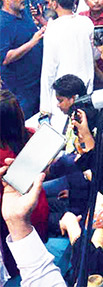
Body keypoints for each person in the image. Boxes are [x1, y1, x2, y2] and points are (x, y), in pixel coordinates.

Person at [0, 90, 50, 280]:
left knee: (16, 256)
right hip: (38, 204)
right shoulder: (33, 136)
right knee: (37, 249)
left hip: (11, 214)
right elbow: (45, 170)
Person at [40, 0, 94, 129]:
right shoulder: (86, 22)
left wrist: (45, 109)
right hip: (86, 90)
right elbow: (94, 55)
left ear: (55, 3)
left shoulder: (53, 29)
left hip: (62, 94)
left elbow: (48, 70)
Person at [0, 0, 45, 119]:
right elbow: (5, 58)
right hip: (21, 90)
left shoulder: (24, 12)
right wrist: (32, 42)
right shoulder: (2, 24)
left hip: (38, 82)